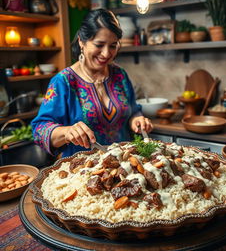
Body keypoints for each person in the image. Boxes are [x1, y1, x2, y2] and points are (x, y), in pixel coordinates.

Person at [31, 8, 153, 158]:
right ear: (82, 42)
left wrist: (137, 120)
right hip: (83, 172)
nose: (106, 53)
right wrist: (66, 132)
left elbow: (133, 110)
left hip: (125, 165)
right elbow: (39, 131)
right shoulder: (63, 82)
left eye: (113, 46)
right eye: (99, 45)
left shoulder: (120, 75)